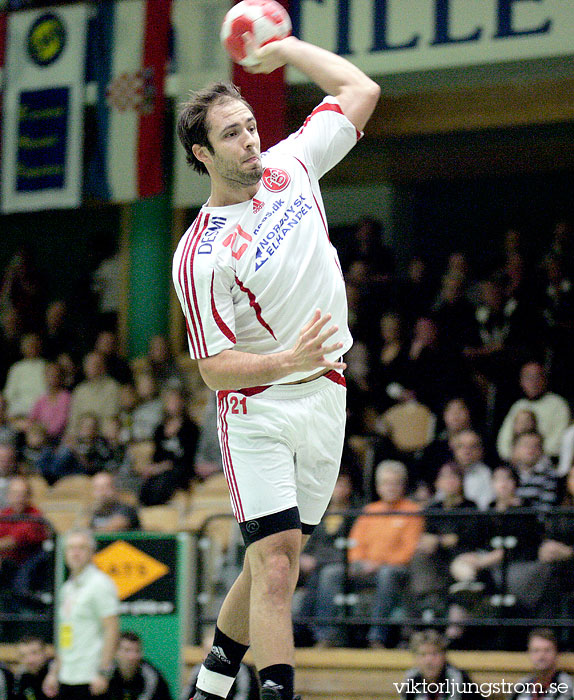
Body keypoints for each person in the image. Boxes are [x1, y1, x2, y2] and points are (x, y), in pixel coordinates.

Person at [173, 31, 379, 700]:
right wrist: (286, 357)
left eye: (252, 126)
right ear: (203, 153)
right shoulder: (200, 254)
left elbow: (360, 91)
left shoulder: (292, 164)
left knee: (279, 555)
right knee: (278, 565)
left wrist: (286, 46)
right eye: (232, 135)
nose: (251, 141)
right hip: (258, 410)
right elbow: (212, 367)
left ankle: (213, 678)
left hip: (327, 394)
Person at [312, 460, 422, 648]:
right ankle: (325, 636)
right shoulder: (370, 511)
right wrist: (358, 562)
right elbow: (355, 544)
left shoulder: (413, 511)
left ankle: (377, 637)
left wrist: (378, 564)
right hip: (364, 567)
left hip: (396, 571)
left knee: (387, 573)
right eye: (386, 483)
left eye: (395, 483)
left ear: (403, 485)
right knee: (331, 573)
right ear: (378, 486)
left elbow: (409, 551)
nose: (390, 487)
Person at [42, 528, 120, 700]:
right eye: (71, 548)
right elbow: (65, 633)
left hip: (90, 677)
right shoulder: (67, 587)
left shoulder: (100, 584)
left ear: (92, 552)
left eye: (81, 548)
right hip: (67, 675)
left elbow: (112, 629)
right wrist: (54, 672)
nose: (75, 553)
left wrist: (103, 672)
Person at [496, 361, 570, 461]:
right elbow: (504, 439)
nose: (532, 382)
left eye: (537, 377)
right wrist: (512, 456)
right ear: (521, 382)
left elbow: (559, 439)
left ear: (545, 379)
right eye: (528, 377)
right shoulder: (519, 405)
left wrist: (534, 455)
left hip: (546, 461)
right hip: (515, 462)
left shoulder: (557, 404)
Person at [400, 629, 481, 700]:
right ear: (415, 658)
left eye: (434, 654)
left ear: (444, 656)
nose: (429, 661)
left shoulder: (459, 679)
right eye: (423, 654)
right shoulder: (411, 679)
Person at [184, 626, 259, 700]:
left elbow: (245, 694)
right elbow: (187, 693)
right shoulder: (199, 669)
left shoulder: (241, 670)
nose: (211, 657)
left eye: (215, 653)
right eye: (208, 652)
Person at [509, 628, 574, 700]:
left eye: (547, 650)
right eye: (536, 651)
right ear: (529, 653)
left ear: (556, 653)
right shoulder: (522, 684)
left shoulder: (565, 684)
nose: (541, 656)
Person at [107, 631, 172, 700]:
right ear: (115, 652)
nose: (133, 656)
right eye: (127, 650)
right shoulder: (106, 673)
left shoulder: (151, 675)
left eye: (137, 651)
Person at [14, 635, 52, 700]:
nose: (30, 660)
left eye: (34, 653)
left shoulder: (57, 675)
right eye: (23, 656)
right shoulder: (23, 679)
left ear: (45, 653)